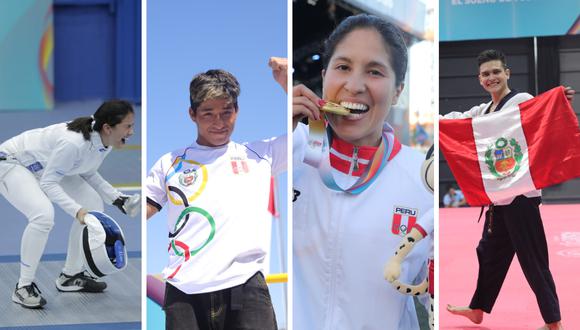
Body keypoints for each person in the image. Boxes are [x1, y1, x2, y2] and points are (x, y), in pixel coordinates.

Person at [292, 14, 432, 329]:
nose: (354, 86)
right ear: (324, 76)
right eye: (343, 68)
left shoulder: (423, 179)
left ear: (398, 91)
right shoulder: (289, 151)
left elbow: (435, 293)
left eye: (374, 71)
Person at [146, 61, 287, 330]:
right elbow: (143, 208)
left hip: (245, 286)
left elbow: (317, 133)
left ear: (237, 111)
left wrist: (286, 84)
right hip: (183, 291)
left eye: (226, 112)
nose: (219, 122)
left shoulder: (261, 154)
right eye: (208, 113)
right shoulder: (170, 162)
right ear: (192, 114)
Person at [442, 49, 575, 330]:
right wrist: (434, 118)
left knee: (533, 260)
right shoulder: (482, 112)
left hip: (521, 199)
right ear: (479, 80)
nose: (491, 78)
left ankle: (554, 323)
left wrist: (559, 100)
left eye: (496, 72)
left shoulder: (522, 101)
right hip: (498, 201)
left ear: (507, 73)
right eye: (486, 74)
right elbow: (457, 120)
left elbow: (544, 111)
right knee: (488, 253)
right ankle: (478, 308)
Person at [0, 100, 139, 308]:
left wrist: (117, 198)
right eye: (127, 126)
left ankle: (70, 275)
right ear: (108, 128)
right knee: (43, 216)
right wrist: (77, 211)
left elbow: (86, 169)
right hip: (12, 162)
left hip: (44, 166)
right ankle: (23, 287)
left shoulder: (104, 140)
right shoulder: (73, 143)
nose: (131, 132)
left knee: (93, 204)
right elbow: (49, 182)